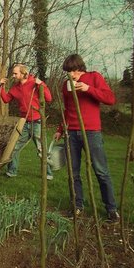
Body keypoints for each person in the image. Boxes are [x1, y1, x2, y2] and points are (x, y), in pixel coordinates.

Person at [54, 53, 119, 222]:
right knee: (73, 173)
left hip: (91, 132)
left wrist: (88, 89)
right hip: (71, 133)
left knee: (101, 171)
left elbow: (110, 99)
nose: (70, 76)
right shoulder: (66, 85)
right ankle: (77, 206)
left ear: (79, 68)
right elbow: (68, 110)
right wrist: (61, 129)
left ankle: (111, 209)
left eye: (73, 72)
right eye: (68, 72)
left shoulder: (94, 77)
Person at [0, 63, 53, 180]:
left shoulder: (34, 83)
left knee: (41, 149)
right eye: (13, 73)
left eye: (15, 73)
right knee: (14, 146)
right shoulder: (15, 88)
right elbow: (6, 99)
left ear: (24, 73)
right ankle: (12, 171)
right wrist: (1, 87)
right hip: (24, 123)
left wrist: (41, 84)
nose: (13, 75)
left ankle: (48, 173)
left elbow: (49, 98)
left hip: (37, 122)